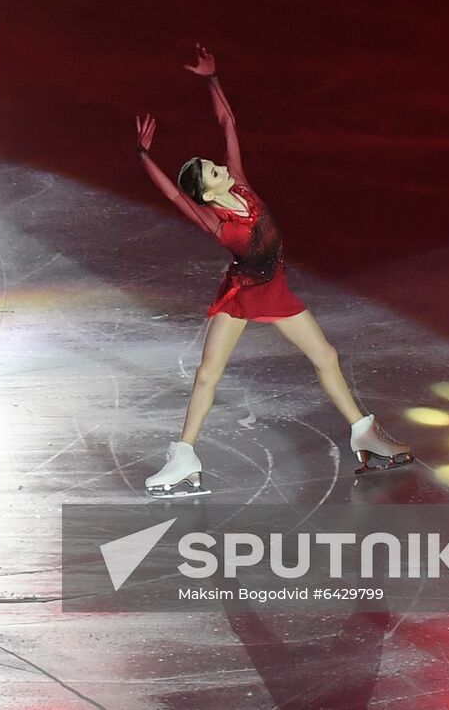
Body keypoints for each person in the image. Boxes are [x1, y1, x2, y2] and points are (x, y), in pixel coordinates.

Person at [135, 45, 413, 497]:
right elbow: (173, 197)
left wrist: (212, 78)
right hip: (243, 295)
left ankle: (363, 434)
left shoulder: (241, 184)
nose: (222, 167)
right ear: (206, 194)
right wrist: (145, 157)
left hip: (275, 289)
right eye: (213, 172)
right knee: (208, 373)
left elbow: (228, 124)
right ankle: (183, 458)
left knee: (325, 356)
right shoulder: (215, 221)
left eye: (216, 165)